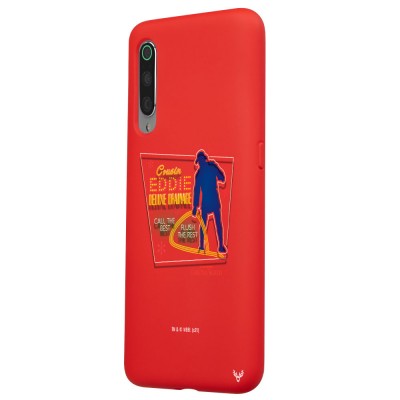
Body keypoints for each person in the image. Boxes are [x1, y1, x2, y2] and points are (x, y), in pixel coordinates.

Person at [192, 150, 227, 254]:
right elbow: (196, 191)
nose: (200, 163)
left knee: (217, 223)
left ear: (204, 159)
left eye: (201, 161)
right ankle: (202, 246)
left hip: (212, 199)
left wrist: (216, 167)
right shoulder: (200, 173)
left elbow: (222, 178)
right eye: (199, 162)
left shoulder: (210, 167)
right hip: (207, 201)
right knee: (204, 224)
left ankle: (220, 246)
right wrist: (195, 206)